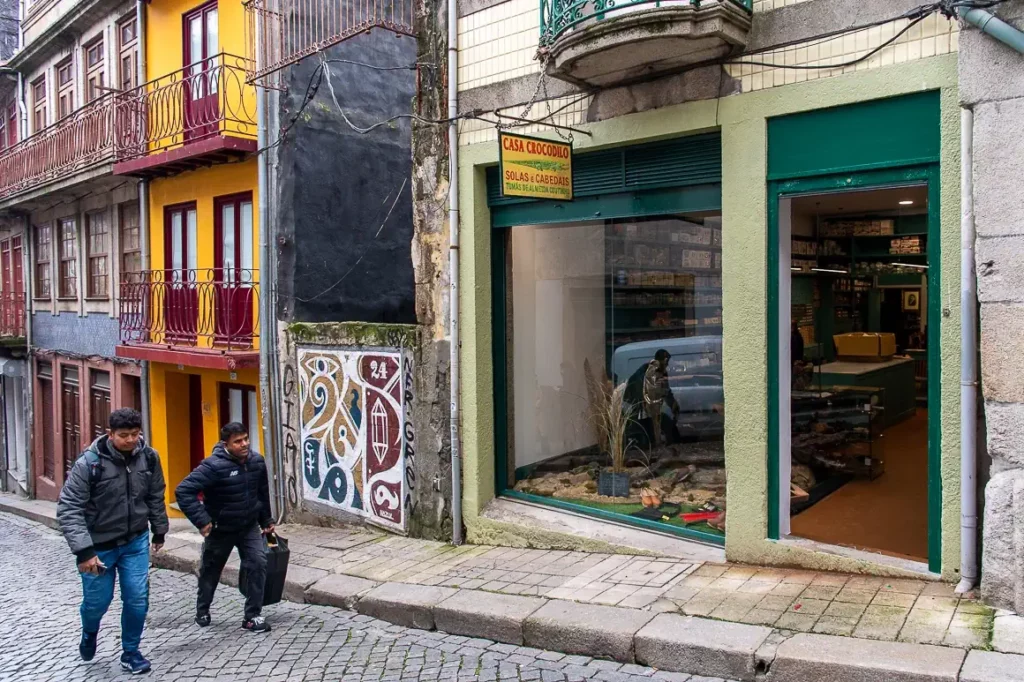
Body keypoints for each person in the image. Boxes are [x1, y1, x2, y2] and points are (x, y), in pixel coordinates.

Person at [56, 408, 168, 675]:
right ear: (110, 434)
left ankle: (131, 652)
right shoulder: (89, 464)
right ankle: (90, 631)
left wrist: (159, 529)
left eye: (135, 434)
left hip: (135, 541)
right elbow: (69, 508)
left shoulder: (149, 458)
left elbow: (155, 494)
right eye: (123, 435)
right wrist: (84, 552)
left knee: (137, 598)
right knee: (97, 602)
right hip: (100, 546)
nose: (130, 440)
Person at [175, 422, 275, 633]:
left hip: (248, 526)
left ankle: (252, 616)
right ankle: (202, 609)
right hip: (221, 529)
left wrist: (267, 521)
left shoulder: (256, 461)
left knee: (258, 563)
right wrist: (202, 521)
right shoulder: (213, 466)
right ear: (225, 444)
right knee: (211, 571)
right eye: (238, 441)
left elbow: (262, 493)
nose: (244, 444)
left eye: (246, 439)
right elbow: (183, 491)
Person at [624, 349, 680, 448]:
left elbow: (665, 390)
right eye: (666, 362)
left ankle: (655, 443)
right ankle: (648, 444)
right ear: (664, 360)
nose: (667, 365)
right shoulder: (647, 370)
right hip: (639, 401)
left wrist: (673, 404)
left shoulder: (662, 372)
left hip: (649, 403)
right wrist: (644, 402)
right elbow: (638, 386)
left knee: (657, 423)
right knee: (645, 425)